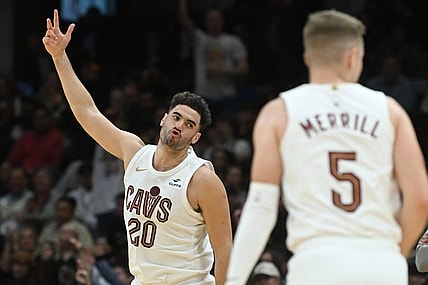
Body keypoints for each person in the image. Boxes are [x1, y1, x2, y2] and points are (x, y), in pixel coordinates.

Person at [226, 9, 428, 285]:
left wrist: (234, 279)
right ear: (353, 56)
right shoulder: (390, 111)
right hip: (380, 262)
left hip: (316, 264)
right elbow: (420, 199)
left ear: (307, 57)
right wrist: (393, 254)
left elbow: (261, 208)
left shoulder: (279, 113)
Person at [42, 9, 232, 285]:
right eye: (176, 117)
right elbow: (88, 113)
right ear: (163, 119)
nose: (179, 125)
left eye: (189, 124)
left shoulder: (203, 180)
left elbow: (224, 250)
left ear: (196, 138)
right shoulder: (134, 152)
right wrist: (59, 57)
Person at [178, 0, 249, 116]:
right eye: (210, 19)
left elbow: (244, 69)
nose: (214, 22)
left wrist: (223, 71)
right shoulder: (200, 39)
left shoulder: (233, 41)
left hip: (226, 96)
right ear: (206, 21)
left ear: (222, 21)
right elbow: (184, 19)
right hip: (203, 96)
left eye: (217, 19)